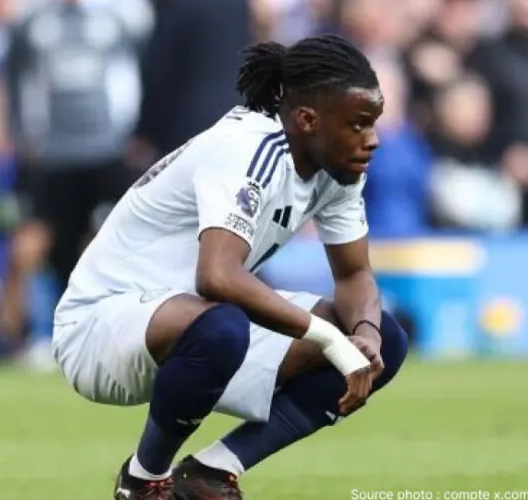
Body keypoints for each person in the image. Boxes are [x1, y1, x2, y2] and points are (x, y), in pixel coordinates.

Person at [52, 34, 410, 499]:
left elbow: (354, 276)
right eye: (359, 124)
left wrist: (366, 335)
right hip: (101, 327)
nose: (373, 139)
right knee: (223, 325)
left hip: (197, 323)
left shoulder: (335, 165)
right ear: (306, 120)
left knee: (389, 340)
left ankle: (212, 472)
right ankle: (143, 481)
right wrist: (329, 340)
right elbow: (217, 276)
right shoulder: (247, 147)